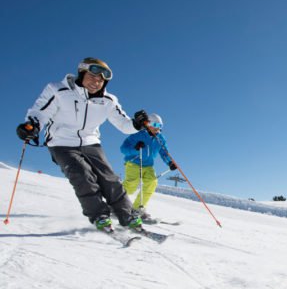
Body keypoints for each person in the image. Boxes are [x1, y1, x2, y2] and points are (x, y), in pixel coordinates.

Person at [16, 57, 150, 232]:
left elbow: (124, 124)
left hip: (90, 142)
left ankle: (127, 215)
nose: (96, 82)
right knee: (82, 175)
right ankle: (100, 216)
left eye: (101, 80)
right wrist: (32, 125)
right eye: (92, 77)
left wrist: (136, 124)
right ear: (81, 73)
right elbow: (39, 112)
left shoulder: (108, 100)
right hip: (61, 143)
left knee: (109, 179)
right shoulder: (58, 90)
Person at [120, 113, 177, 223]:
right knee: (131, 185)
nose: (157, 128)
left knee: (152, 182)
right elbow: (123, 149)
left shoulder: (160, 138)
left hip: (148, 165)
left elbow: (164, 152)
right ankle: (117, 204)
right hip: (134, 162)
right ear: (147, 123)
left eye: (160, 126)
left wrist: (170, 162)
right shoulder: (137, 134)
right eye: (155, 124)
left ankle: (137, 209)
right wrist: (135, 148)